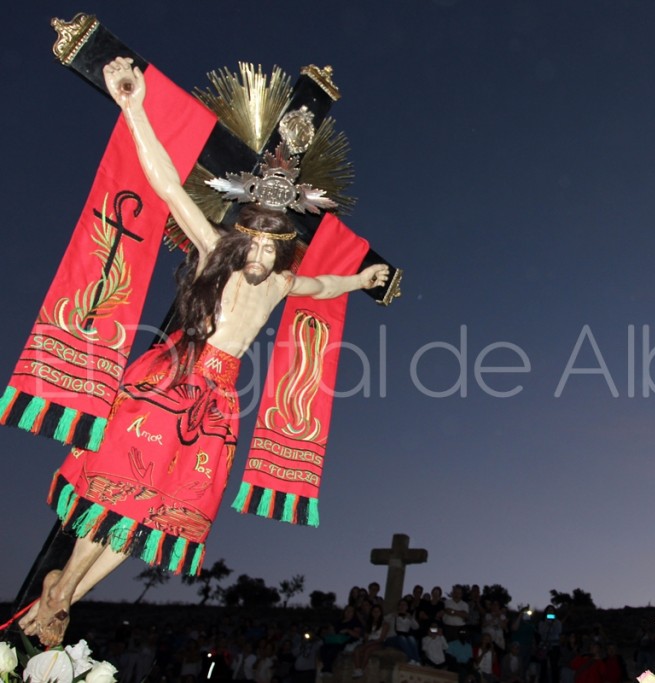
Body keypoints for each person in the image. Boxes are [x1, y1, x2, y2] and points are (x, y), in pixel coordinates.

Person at [18, 56, 389, 647]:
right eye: (259, 235)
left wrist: (363, 280)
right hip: (175, 377)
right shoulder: (216, 247)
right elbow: (166, 183)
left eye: (276, 240)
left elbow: (324, 285)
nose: (265, 249)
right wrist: (134, 107)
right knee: (124, 490)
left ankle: (67, 595)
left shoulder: (283, 285)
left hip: (216, 403)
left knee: (163, 512)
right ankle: (59, 594)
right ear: (246, 230)